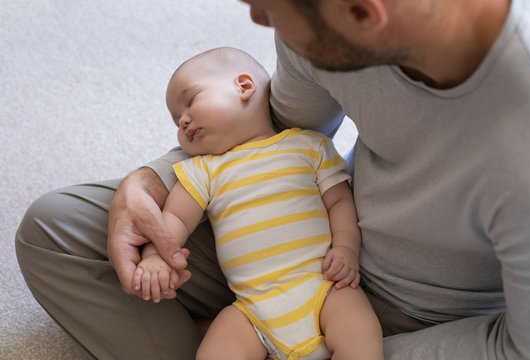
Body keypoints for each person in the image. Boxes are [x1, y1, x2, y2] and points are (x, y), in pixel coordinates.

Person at [15, 0, 530, 359]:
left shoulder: (526, 146)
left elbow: (523, 348)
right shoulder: (325, 30)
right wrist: (148, 183)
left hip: (417, 318)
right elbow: (275, 136)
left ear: (362, 14)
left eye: (270, 9)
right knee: (54, 231)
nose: (260, 19)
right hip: (289, 237)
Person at [133, 47, 383, 360]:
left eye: (191, 100)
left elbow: (340, 203)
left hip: (322, 286)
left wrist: (346, 249)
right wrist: (156, 256)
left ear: (244, 86)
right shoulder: (203, 169)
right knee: (215, 348)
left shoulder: (308, 146)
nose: (182, 120)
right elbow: (176, 219)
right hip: (251, 310)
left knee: (360, 333)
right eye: (175, 120)